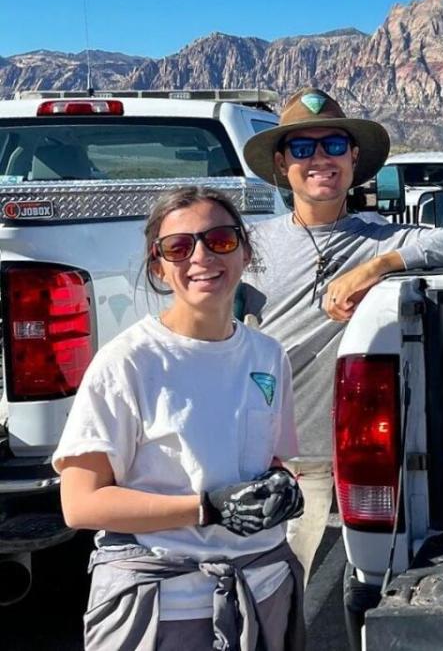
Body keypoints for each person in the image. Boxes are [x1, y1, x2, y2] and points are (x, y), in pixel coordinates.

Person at [240, 88, 443, 580]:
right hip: (269, 458)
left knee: (346, 587)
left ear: (354, 157)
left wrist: (379, 267)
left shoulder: (384, 237)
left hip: (348, 461)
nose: (320, 158)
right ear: (281, 163)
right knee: (272, 591)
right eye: (302, 148)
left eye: (334, 145)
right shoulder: (248, 246)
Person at [53, 187, 306, 650]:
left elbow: (269, 459)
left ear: (245, 252)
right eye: (179, 247)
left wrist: (278, 485)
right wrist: (206, 508)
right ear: (159, 267)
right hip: (165, 609)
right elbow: (80, 504)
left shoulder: (268, 356)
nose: (202, 256)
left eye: (221, 240)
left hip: (262, 593)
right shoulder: (128, 363)